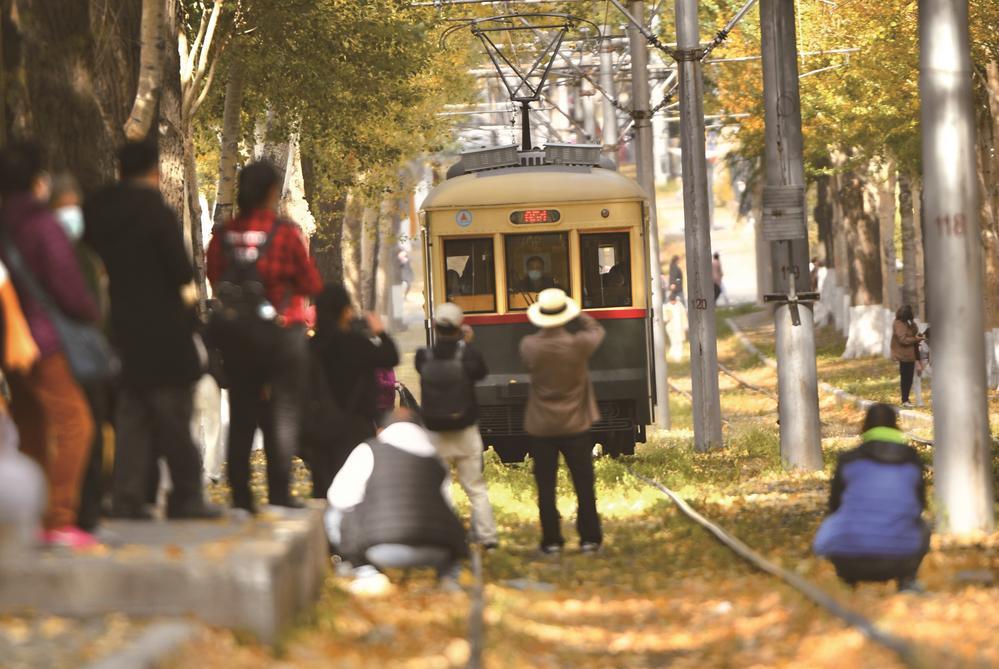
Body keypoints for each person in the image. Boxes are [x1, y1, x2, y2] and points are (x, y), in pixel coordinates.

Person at [85, 141, 218, 520]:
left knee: (132, 416)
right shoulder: (154, 210)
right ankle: (186, 496)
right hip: (164, 330)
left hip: (121, 326)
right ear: (153, 171)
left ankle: (127, 497)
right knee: (173, 416)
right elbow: (180, 271)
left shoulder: (98, 209)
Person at [206, 160, 323, 513]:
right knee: (283, 415)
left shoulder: (223, 236)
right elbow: (310, 284)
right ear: (273, 192)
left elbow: (215, 277)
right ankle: (279, 492)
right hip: (281, 335)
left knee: (242, 412)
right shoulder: (285, 234)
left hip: (238, 337)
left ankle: (241, 496)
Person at [0, 141, 99, 547]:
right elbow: (68, 285)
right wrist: (88, 312)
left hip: (9, 341)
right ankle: (58, 517)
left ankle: (34, 518)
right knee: (76, 423)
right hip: (42, 338)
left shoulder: (4, 220)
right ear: (38, 181)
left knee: (31, 425)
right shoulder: (42, 224)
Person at [325, 409, 468, 592]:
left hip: (380, 550)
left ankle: (366, 573)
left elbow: (339, 498)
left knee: (334, 513)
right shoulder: (436, 458)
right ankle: (449, 577)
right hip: (438, 551)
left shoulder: (369, 450)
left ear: (380, 431)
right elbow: (448, 505)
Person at [520, 288, 604, 554]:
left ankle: (552, 541)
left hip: (542, 426)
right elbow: (597, 331)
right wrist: (578, 314)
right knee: (583, 483)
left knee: (545, 486)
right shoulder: (579, 344)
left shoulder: (529, 346)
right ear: (565, 314)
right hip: (575, 425)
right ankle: (589, 538)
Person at [813, 403, 929, 592]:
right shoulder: (911, 458)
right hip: (899, 560)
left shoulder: (849, 459)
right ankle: (907, 581)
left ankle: (848, 581)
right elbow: (920, 504)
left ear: (865, 426)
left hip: (849, 559)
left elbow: (834, 505)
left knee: (831, 523)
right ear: (895, 426)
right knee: (924, 525)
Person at [51, 175, 109, 532]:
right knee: (80, 430)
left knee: (90, 432)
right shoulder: (58, 252)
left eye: (76, 205)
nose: (72, 213)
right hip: (67, 353)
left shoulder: (86, 253)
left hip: (86, 353)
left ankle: (84, 510)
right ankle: (70, 513)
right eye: (65, 205)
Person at [416, 303, 498, 549]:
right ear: (460, 328)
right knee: (475, 487)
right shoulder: (468, 355)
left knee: (442, 486)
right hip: (465, 429)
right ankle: (487, 537)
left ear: (437, 328)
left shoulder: (423, 356)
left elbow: (422, 370)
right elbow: (480, 373)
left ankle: (446, 537)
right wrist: (467, 343)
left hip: (435, 432)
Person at [309, 283, 399, 497]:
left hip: (320, 429)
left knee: (325, 490)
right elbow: (390, 356)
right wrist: (380, 331)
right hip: (356, 425)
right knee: (357, 489)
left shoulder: (311, 347)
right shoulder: (356, 343)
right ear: (344, 310)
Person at [890, 305, 924, 408]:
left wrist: (917, 334)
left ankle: (906, 399)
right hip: (903, 355)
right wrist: (916, 339)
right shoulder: (899, 323)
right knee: (906, 378)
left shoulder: (908, 322)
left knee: (908, 378)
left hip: (911, 354)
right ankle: (905, 400)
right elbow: (903, 339)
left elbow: (914, 331)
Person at [664, 292, 688, 362]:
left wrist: (686, 325)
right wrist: (667, 318)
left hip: (679, 326)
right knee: (674, 342)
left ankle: (678, 357)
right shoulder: (666, 307)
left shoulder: (680, 305)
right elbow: (664, 318)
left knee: (679, 342)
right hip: (671, 328)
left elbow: (684, 315)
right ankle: (674, 356)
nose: (673, 302)